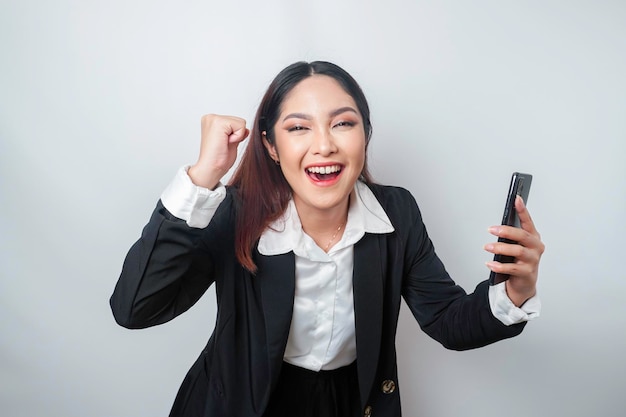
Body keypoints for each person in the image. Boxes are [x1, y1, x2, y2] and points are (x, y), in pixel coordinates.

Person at [110, 61, 544, 417]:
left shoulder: (397, 213)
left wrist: (515, 291)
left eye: (343, 124)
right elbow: (135, 308)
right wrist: (202, 179)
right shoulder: (234, 212)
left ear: (365, 136)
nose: (324, 145)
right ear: (272, 146)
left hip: (349, 402)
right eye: (299, 128)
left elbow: (448, 320)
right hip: (243, 403)